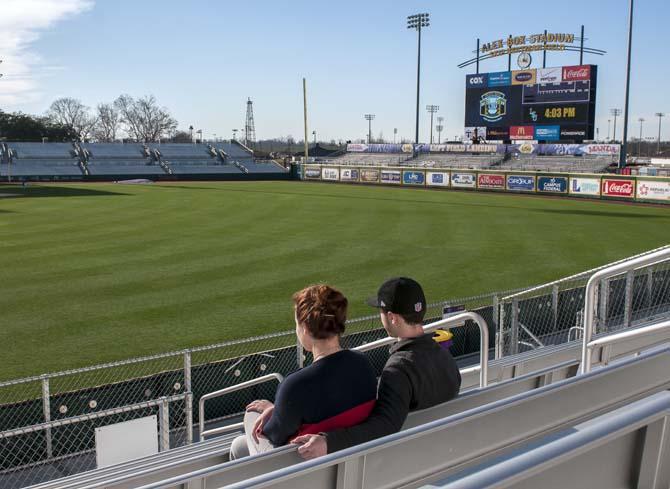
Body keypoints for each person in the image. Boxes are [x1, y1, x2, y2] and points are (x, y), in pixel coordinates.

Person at [294, 277, 462, 459]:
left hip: (414, 457)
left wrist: (329, 442)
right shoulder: (444, 354)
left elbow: (385, 424)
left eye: (381, 311)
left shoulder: (399, 368)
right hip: (445, 449)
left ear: (392, 318)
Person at [230, 284, 377, 459]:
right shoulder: (363, 364)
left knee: (251, 415)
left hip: (301, 473)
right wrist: (279, 409)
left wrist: (274, 409)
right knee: (239, 446)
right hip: (352, 463)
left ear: (305, 328)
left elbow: (273, 435)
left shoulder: (296, 386)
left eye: (297, 324)